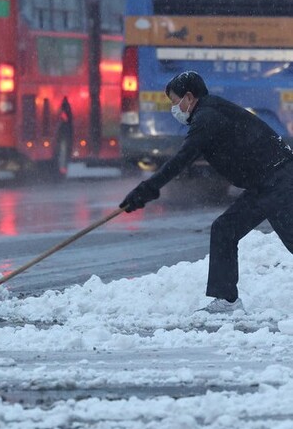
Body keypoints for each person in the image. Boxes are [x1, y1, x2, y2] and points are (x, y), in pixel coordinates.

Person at [120, 70, 293, 314]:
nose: (174, 108)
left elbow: (181, 160)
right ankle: (226, 300)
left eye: (175, 101)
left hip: (279, 179)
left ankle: (226, 299)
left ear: (189, 98)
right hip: (264, 182)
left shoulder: (207, 118)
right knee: (225, 229)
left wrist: (145, 190)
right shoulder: (209, 113)